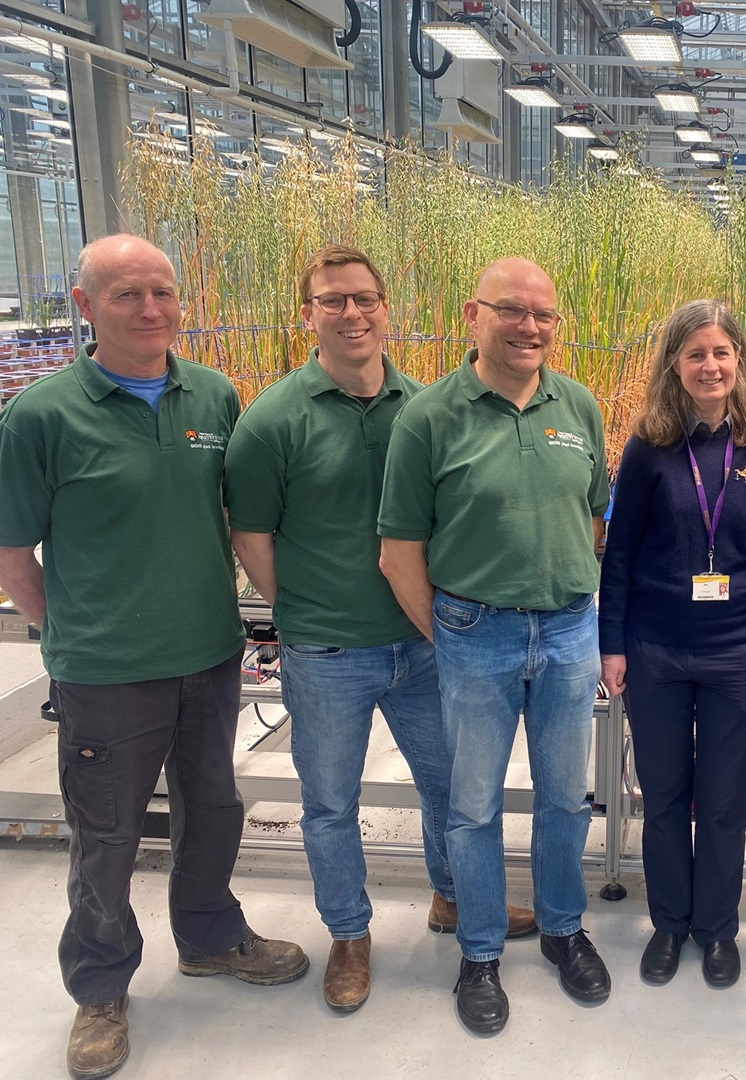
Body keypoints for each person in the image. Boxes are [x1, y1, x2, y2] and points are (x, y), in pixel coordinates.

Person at [0, 234, 308, 1080]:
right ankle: (100, 988)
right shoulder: (42, 414)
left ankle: (209, 937)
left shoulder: (212, 393)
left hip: (208, 655)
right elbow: (11, 550)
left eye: (162, 292)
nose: (149, 308)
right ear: (84, 303)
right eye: (127, 293)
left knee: (214, 809)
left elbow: (243, 516)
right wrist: (65, 633)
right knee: (106, 833)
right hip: (105, 672)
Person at [224, 245, 537, 1014]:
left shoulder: (428, 407)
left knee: (450, 788)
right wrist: (305, 608)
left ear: (386, 308)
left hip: (426, 643)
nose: (352, 313)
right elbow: (252, 536)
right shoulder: (273, 420)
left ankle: (454, 898)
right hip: (327, 653)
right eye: (333, 301)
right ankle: (350, 935)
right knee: (329, 802)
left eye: (364, 298)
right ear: (309, 315)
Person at [376, 257, 611, 1035]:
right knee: (471, 807)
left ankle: (563, 930)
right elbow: (399, 551)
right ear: (472, 314)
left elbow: (594, 518)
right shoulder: (430, 416)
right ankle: (479, 952)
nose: (531, 327)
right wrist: (449, 637)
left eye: (544, 314)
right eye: (513, 311)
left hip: (570, 629)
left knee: (564, 798)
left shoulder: (576, 404)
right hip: (475, 633)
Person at [597, 299, 746, 989]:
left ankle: (716, 928)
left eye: (720, 352)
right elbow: (618, 553)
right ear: (674, 365)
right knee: (662, 794)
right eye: (695, 354)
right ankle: (670, 923)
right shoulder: (649, 446)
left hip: (739, 650)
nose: (709, 365)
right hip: (655, 649)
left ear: (739, 360)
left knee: (721, 801)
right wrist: (612, 642)